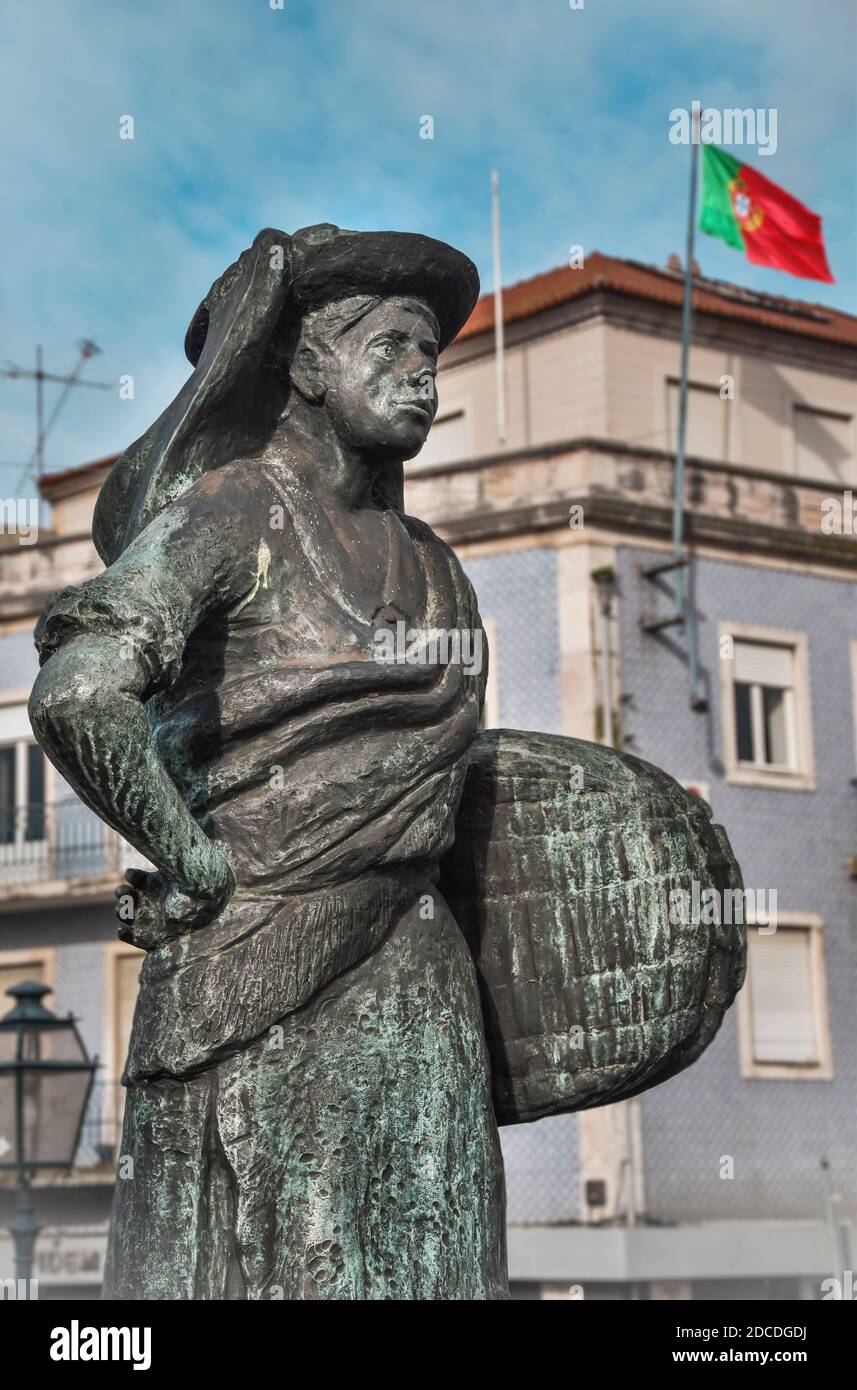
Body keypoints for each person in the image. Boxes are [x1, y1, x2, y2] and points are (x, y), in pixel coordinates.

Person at [30, 225, 508, 1300]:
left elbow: (474, 809)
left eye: (429, 354)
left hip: (419, 984)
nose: (421, 375)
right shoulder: (235, 509)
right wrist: (189, 860)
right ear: (302, 363)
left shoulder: (440, 568)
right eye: (389, 346)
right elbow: (76, 692)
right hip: (250, 983)